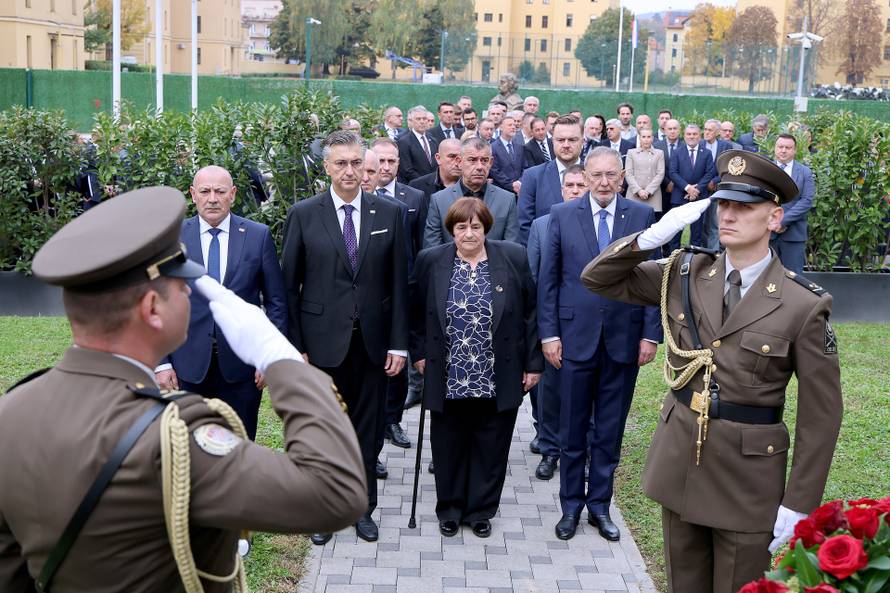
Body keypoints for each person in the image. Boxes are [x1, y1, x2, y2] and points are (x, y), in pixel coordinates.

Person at [0, 187, 366, 591]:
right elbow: (335, 493)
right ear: (152, 310)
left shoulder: (12, 412)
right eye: (182, 285)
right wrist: (280, 359)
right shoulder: (173, 439)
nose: (191, 292)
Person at [580, 149, 842, 593]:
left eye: (745, 207)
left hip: (747, 480)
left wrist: (799, 503)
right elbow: (598, 278)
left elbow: (821, 415)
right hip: (681, 460)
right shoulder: (686, 271)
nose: (729, 215)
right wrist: (648, 238)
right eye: (724, 204)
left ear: (775, 218)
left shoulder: (804, 304)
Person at [281, 131, 408, 545]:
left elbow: (399, 286)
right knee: (323, 431)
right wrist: (295, 346)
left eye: (357, 163)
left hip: (372, 345)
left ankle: (362, 507)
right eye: (341, 164)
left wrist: (398, 343)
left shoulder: (389, 213)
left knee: (368, 432)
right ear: (327, 167)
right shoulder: (304, 214)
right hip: (320, 346)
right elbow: (288, 287)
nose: (350, 171)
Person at [539, 147, 661, 542]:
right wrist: (550, 334)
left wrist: (649, 333)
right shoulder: (562, 215)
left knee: (609, 431)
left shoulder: (640, 216)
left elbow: (653, 278)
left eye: (611, 175)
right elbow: (550, 280)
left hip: (624, 340)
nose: (604, 182)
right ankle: (570, 507)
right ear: (585, 177)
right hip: (574, 340)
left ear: (622, 176)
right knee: (572, 430)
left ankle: (600, 507)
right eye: (597, 175)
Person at [411, 198, 543, 539]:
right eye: (461, 227)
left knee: (491, 444)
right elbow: (416, 313)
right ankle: (450, 509)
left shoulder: (512, 258)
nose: (469, 234)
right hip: (449, 371)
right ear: (451, 230)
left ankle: (481, 510)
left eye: (475, 226)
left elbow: (531, 313)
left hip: (497, 370)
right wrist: (420, 353)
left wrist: (533, 363)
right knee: (448, 444)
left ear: (486, 227)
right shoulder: (431, 261)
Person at [155, 165, 287, 440]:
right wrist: (162, 363)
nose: (212, 198)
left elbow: (276, 302)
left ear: (233, 195)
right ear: (193, 194)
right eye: (205, 191)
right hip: (186, 367)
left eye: (220, 191)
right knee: (189, 447)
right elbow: (157, 301)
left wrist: (267, 359)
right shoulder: (173, 238)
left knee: (239, 447)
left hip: (242, 369)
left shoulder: (257, 235)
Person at [525, 164, 587, 480]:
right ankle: (550, 450)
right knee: (549, 392)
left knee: (585, 393)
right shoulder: (541, 225)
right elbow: (535, 278)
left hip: (586, 325)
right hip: (552, 324)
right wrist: (542, 328)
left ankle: (581, 450)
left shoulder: (596, 226)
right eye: (570, 185)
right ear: (562, 190)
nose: (575, 190)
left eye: (581, 185)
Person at [425, 137, 519, 247]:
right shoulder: (439, 200)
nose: (479, 167)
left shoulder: (507, 200)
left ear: (491, 162)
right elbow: (432, 249)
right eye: (472, 160)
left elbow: (511, 248)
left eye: (484, 160)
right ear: (459, 162)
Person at [518, 115, 584, 245]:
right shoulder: (533, 177)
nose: (566, 145)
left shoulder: (595, 176)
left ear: (583, 141)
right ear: (552, 141)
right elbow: (524, 226)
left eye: (572, 140)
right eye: (560, 140)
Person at [770, 133, 815, 275]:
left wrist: (782, 221)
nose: (783, 150)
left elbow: (807, 201)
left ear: (795, 150)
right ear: (775, 149)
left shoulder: (805, 172)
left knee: (793, 278)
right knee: (765, 277)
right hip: (767, 234)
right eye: (780, 147)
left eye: (788, 148)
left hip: (794, 235)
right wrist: (772, 221)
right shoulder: (766, 170)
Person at [667, 123, 716, 251]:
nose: (691, 136)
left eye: (694, 134)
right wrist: (688, 188)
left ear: (699, 136)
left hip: (699, 197)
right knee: (676, 233)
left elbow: (709, 173)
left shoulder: (706, 153)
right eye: (689, 134)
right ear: (684, 136)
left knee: (696, 233)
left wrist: (697, 189)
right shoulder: (677, 152)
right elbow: (672, 172)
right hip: (679, 196)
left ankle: (694, 261)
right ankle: (673, 260)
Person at [701, 119, 734, 250]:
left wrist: (714, 181)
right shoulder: (699, 144)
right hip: (700, 189)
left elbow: (728, 167)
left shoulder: (725, 146)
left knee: (714, 223)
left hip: (717, 189)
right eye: (705, 129)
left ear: (717, 132)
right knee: (700, 224)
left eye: (710, 130)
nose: (706, 132)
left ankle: (713, 254)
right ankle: (700, 250)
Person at [624, 128, 666, 219]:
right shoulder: (631, 153)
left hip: (653, 195)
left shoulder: (659, 153)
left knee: (652, 225)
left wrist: (648, 191)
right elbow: (628, 173)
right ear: (639, 138)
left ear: (652, 138)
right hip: (634, 194)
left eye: (648, 137)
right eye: (643, 137)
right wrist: (639, 191)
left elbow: (660, 174)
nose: (646, 139)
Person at [397, 105, 438, 183]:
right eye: (418, 119)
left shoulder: (433, 140)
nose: (422, 121)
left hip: (434, 185)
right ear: (412, 121)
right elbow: (407, 170)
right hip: (415, 186)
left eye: (424, 119)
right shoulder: (404, 142)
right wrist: (425, 182)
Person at [490, 114, 525, 195]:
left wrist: (520, 182)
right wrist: (511, 185)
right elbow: (495, 171)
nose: (513, 127)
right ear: (501, 128)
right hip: (501, 192)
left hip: (520, 191)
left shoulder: (519, 147)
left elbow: (525, 167)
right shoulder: (493, 147)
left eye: (514, 125)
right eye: (510, 125)